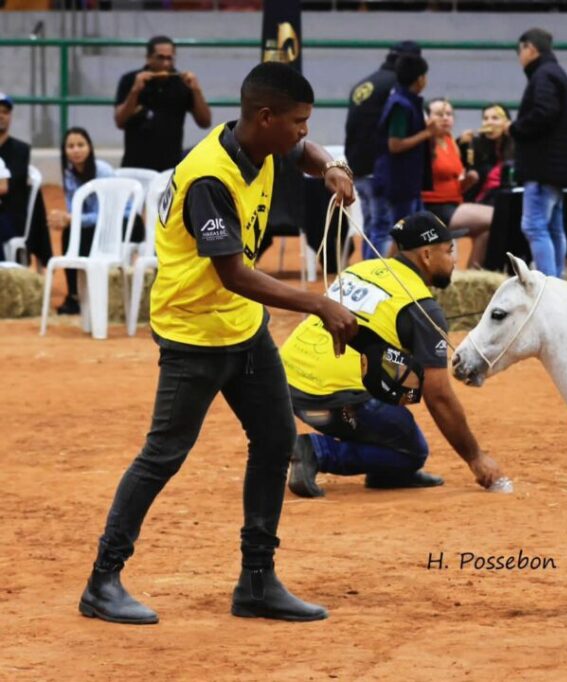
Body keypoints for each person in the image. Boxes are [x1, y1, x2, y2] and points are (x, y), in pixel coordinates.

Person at [79, 62, 360, 626]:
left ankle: (257, 581)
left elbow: (302, 153)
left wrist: (331, 165)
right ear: (265, 117)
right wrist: (319, 303)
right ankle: (102, 581)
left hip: (240, 326)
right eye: (299, 122)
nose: (305, 131)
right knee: (163, 455)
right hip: (194, 332)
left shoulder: (257, 142)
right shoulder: (211, 176)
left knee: (276, 437)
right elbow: (233, 273)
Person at [281, 210, 505, 497]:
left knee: (399, 382)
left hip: (290, 391)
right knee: (412, 452)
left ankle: (385, 472)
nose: (454, 260)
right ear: (426, 255)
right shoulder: (422, 306)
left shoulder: (360, 269)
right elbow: (439, 396)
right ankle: (317, 451)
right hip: (336, 405)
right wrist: (476, 457)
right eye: (449, 251)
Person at [498, 28, 567, 277]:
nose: (519, 56)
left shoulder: (543, 77)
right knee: (554, 228)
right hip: (556, 169)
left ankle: (548, 284)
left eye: (520, 50)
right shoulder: (560, 76)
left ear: (530, 48)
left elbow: (544, 113)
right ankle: (558, 280)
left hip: (542, 168)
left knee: (534, 227)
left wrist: (514, 127)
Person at [345, 41, 422, 263]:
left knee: (372, 229)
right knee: (385, 229)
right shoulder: (396, 87)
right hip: (380, 170)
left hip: (358, 168)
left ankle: (367, 277)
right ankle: (376, 283)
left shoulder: (364, 83)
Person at [45, 127, 121, 315]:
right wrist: (65, 218)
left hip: (122, 222)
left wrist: (71, 219)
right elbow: (75, 210)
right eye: (70, 146)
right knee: (70, 232)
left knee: (77, 231)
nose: (76, 150)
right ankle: (75, 295)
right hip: (93, 223)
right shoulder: (69, 173)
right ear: (64, 151)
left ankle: (88, 295)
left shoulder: (102, 171)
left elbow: (106, 214)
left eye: (81, 145)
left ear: (90, 147)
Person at [371, 54, 438, 259]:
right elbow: (395, 144)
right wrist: (427, 133)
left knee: (406, 232)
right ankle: (386, 272)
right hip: (398, 181)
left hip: (406, 181)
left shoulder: (407, 102)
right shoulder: (401, 105)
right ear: (419, 79)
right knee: (401, 232)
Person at [114, 35, 213, 171]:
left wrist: (196, 90)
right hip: (134, 165)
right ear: (148, 58)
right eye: (160, 57)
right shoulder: (130, 80)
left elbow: (205, 122)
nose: (166, 63)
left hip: (170, 166)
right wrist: (135, 91)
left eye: (170, 58)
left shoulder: (182, 83)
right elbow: (120, 121)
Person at [422, 98, 492, 268]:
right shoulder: (425, 143)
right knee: (497, 217)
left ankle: (473, 279)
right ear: (427, 118)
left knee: (488, 230)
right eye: (439, 114)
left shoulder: (450, 141)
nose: (445, 118)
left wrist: (468, 182)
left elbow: (454, 186)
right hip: (434, 206)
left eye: (448, 114)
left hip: (453, 203)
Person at [458, 102, 515, 206]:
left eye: (495, 118)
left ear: (507, 122)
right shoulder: (475, 143)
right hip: (478, 200)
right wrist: (461, 144)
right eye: (485, 118)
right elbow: (465, 168)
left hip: (506, 199)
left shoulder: (515, 144)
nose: (489, 122)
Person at [0, 92, 34, 258]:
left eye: (5, 112)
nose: (1, 116)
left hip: (11, 216)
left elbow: (9, 185)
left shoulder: (21, 150)